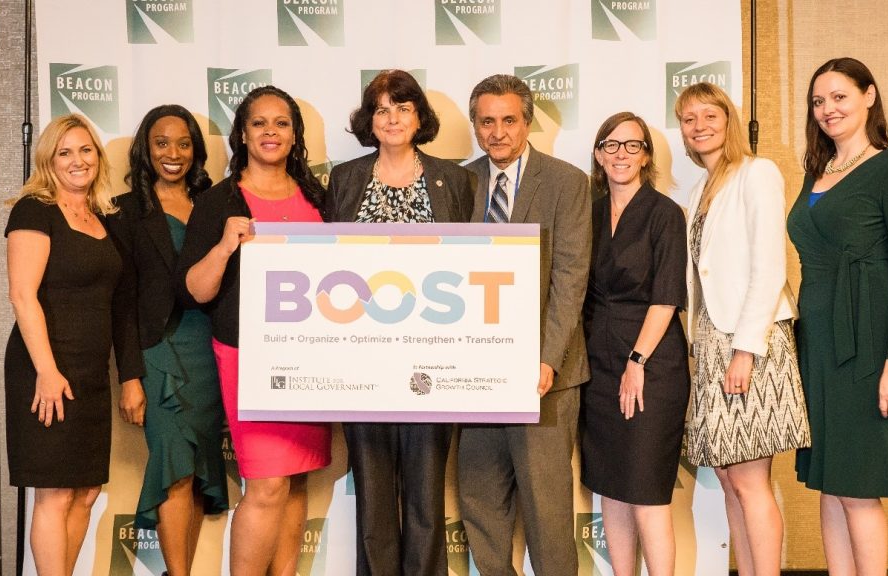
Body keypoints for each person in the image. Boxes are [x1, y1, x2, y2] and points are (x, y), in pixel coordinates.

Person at [175, 86, 331, 576]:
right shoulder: (218, 202)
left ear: (294, 135)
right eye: (259, 123)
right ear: (242, 134)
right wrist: (224, 246)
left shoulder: (316, 197)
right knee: (265, 486)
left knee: (295, 481)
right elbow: (195, 292)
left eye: (281, 123)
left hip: (312, 355)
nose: (270, 132)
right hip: (249, 357)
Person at [325, 69, 474, 576]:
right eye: (382, 109)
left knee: (426, 492)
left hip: (431, 362)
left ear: (419, 117)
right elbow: (325, 268)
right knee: (371, 490)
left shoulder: (455, 181)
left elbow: (472, 270)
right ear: (370, 120)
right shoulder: (346, 180)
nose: (392, 118)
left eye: (403, 107)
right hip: (361, 360)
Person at [789, 57, 888, 576]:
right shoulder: (817, 171)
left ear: (869, 96)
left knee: (857, 489)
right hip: (818, 345)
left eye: (839, 97)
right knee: (830, 480)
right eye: (818, 101)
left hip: (867, 346)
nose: (828, 109)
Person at [456, 74, 591, 576]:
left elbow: (570, 277)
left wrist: (547, 359)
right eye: (486, 121)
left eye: (508, 120)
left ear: (527, 122)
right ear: (474, 125)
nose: (497, 132)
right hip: (473, 377)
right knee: (480, 503)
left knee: (547, 509)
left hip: (544, 375)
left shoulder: (566, 181)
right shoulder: (460, 181)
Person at [676, 82, 811, 575]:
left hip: (749, 342)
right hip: (711, 344)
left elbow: (770, 267)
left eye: (709, 115)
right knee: (729, 478)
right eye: (689, 119)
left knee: (751, 481)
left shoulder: (757, 173)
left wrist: (745, 350)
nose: (699, 126)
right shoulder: (698, 190)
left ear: (728, 120)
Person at [4, 113, 143, 576]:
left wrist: (129, 376)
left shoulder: (107, 217)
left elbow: (122, 305)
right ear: (49, 160)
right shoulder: (34, 210)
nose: (77, 160)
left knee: (85, 491)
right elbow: (22, 294)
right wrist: (45, 370)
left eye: (85, 150)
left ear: (98, 157)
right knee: (57, 491)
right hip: (46, 368)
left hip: (89, 372)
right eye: (65, 152)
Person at [108, 104, 228, 576]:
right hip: (159, 353)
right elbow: (123, 302)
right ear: (146, 149)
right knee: (175, 467)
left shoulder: (216, 205)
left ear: (196, 149)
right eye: (161, 143)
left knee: (197, 473)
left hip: (210, 354)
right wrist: (130, 377)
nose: (172, 153)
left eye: (183, 143)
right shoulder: (126, 212)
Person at [580, 112, 689, 575]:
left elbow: (666, 297)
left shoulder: (665, 213)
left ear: (646, 156)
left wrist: (636, 360)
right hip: (598, 366)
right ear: (599, 154)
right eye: (611, 145)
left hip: (650, 365)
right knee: (611, 487)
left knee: (645, 491)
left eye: (632, 145)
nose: (621, 154)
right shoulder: (588, 210)